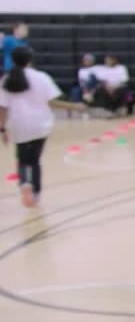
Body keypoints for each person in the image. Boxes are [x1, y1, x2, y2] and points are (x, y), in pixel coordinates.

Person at [0, 47, 87, 207]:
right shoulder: (41, 77)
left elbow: (3, 107)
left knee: (22, 159)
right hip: (40, 124)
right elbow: (52, 102)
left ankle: (25, 182)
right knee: (34, 160)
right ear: (30, 60)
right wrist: (74, 106)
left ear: (13, 60)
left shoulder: (7, 80)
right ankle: (36, 192)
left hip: (18, 124)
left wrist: (2, 129)